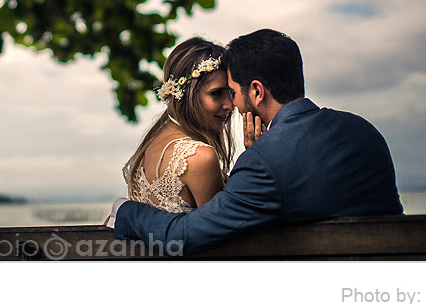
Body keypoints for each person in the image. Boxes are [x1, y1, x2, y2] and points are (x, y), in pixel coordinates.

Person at [107, 28, 403, 256]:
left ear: (257, 92)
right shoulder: (363, 131)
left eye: (233, 92)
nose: (232, 105)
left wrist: (126, 211)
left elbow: (185, 236)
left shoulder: (265, 161)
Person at [122, 37, 236, 213]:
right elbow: (226, 232)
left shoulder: (149, 146)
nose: (229, 104)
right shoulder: (199, 157)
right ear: (188, 93)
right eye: (216, 93)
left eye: (231, 92)